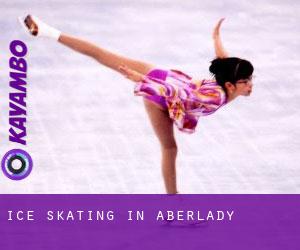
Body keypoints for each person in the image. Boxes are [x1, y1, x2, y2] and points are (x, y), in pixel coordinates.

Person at [19, 15, 254, 194]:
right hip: (162, 91)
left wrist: (216, 39)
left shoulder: (226, 79)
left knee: (102, 55)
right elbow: (177, 93)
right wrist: (142, 81)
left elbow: (224, 62)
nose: (250, 85)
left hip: (162, 75)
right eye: (246, 82)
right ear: (231, 86)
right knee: (170, 149)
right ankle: (174, 207)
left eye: (250, 80)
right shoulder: (216, 97)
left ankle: (47, 31)